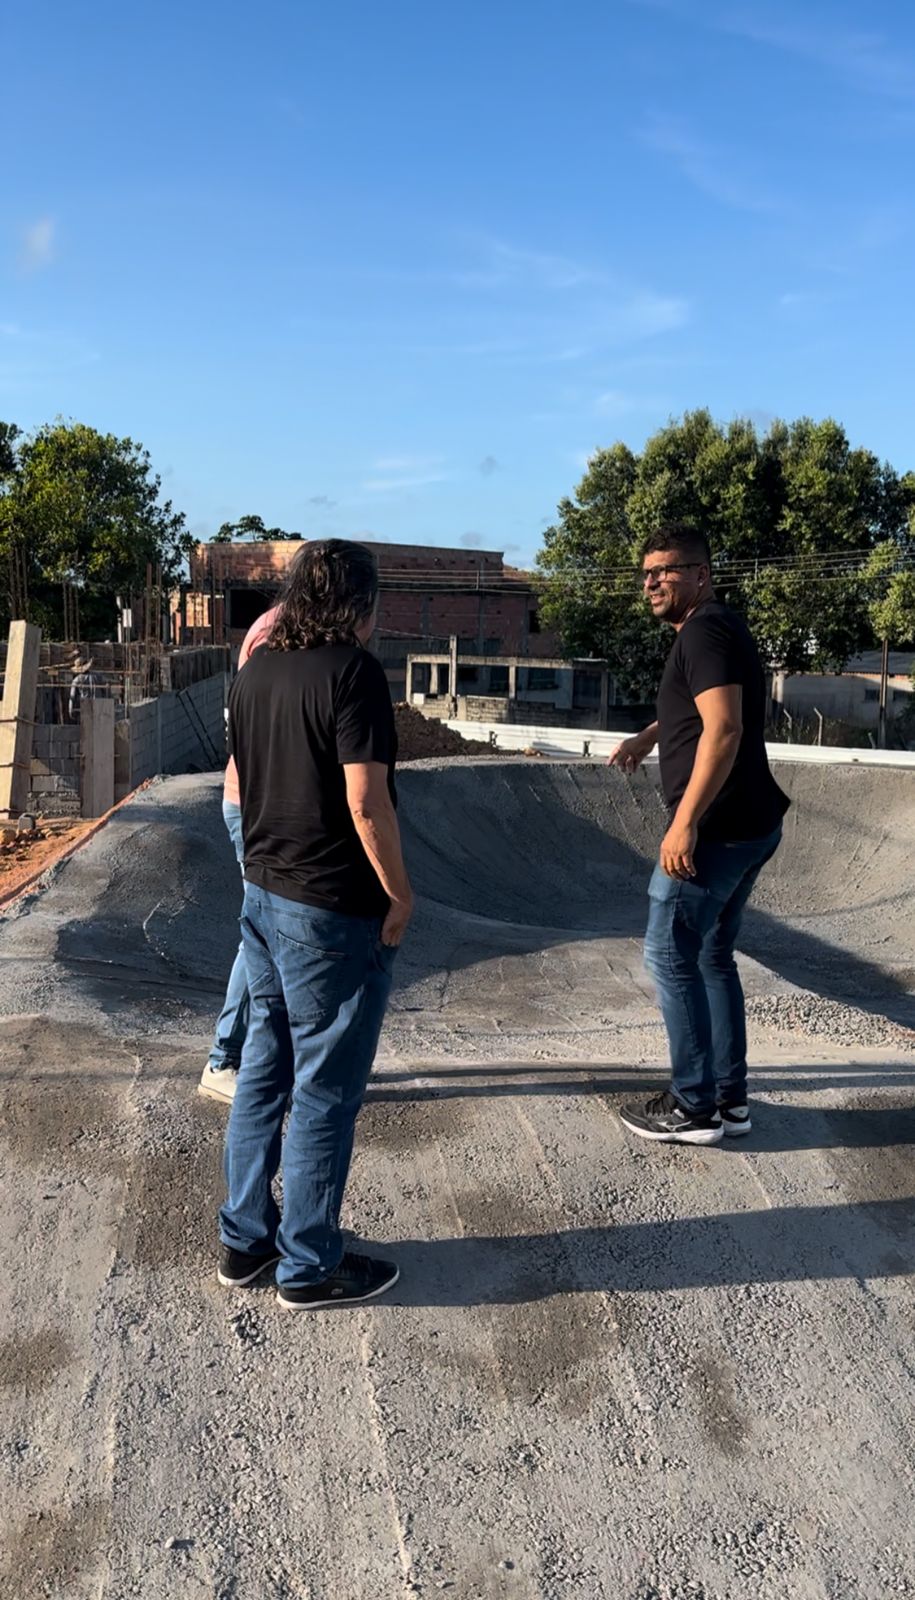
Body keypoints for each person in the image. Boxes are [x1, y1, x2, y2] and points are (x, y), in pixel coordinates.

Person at [217, 539, 412, 1310]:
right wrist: (399, 894)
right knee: (326, 1091)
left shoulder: (258, 669)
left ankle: (244, 1241)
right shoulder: (354, 673)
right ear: (359, 603)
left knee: (263, 1071)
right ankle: (307, 1266)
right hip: (329, 910)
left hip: (261, 897)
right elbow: (367, 803)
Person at [610, 522, 789, 1147]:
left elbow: (725, 729)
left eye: (667, 570)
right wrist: (647, 735)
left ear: (701, 575)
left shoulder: (705, 630)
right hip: (751, 824)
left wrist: (684, 822)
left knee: (667, 955)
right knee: (712, 956)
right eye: (647, 573)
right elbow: (697, 709)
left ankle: (693, 1106)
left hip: (715, 832)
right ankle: (729, 1101)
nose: (652, 581)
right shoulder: (716, 628)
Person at [198, 603, 280, 1104]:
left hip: (262, 803)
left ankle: (254, 1055)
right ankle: (223, 1058)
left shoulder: (281, 628)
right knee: (261, 930)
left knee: (268, 930)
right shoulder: (275, 635)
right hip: (257, 805)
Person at [68, 655, 105, 721]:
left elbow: (72, 698)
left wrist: (71, 711)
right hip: (99, 706)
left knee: (86, 728)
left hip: (85, 707)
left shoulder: (76, 680)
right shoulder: (98, 676)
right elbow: (105, 692)